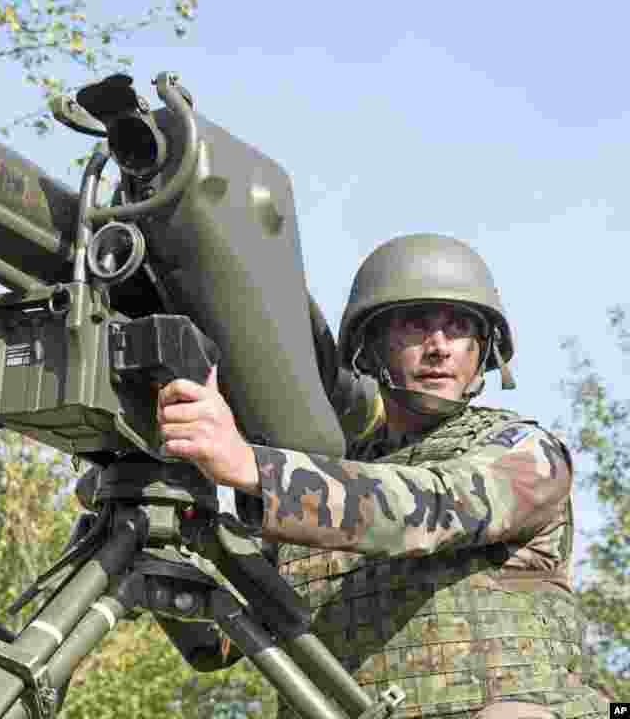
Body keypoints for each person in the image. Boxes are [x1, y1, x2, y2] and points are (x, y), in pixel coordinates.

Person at [157, 234, 609, 718]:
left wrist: (255, 468)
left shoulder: (524, 452)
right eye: (414, 327)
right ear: (369, 348)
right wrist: (154, 519)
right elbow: (217, 641)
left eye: (458, 328)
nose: (438, 348)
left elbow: (433, 508)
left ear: (484, 349)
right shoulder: (323, 487)